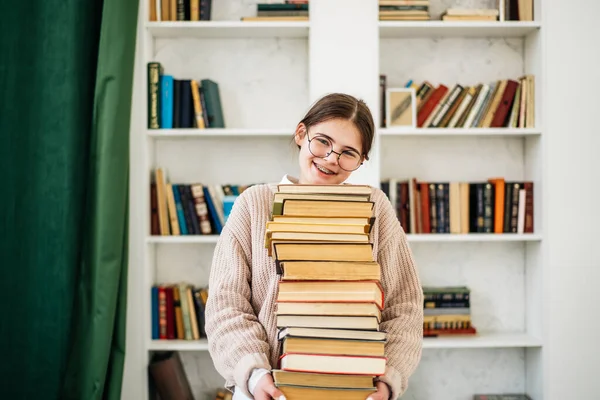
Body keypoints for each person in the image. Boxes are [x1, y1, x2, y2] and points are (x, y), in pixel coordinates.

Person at [205, 93, 423, 400]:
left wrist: (389, 380)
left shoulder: (375, 207)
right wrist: (254, 374)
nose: (332, 158)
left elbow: (404, 306)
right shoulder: (254, 204)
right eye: (322, 141)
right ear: (300, 134)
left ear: (361, 161)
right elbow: (226, 305)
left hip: (356, 391)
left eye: (349, 153)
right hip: (266, 391)